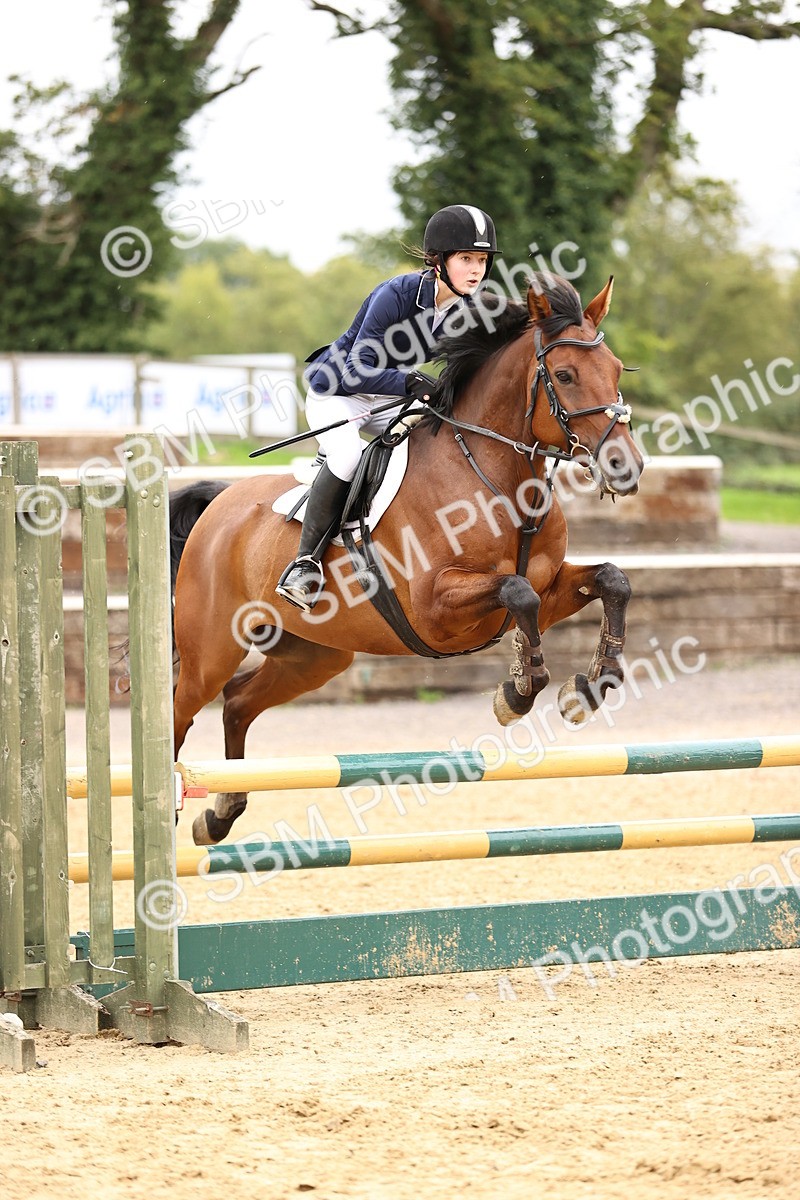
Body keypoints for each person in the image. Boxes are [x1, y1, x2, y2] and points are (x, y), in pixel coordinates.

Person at [275, 203, 499, 613]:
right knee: (347, 456)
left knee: (438, 439)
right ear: (439, 261)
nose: (476, 269)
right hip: (339, 390)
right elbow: (359, 370)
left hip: (388, 398)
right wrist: (411, 381)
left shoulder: (469, 308)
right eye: (466, 258)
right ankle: (304, 563)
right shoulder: (396, 295)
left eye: (481, 260)